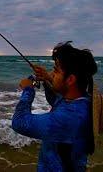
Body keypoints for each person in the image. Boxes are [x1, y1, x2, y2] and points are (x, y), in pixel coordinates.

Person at [12, 41, 97, 171]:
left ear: (70, 80)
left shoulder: (67, 118)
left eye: (56, 71)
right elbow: (55, 100)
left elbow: (20, 122)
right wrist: (47, 79)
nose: (53, 74)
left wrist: (28, 90)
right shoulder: (81, 101)